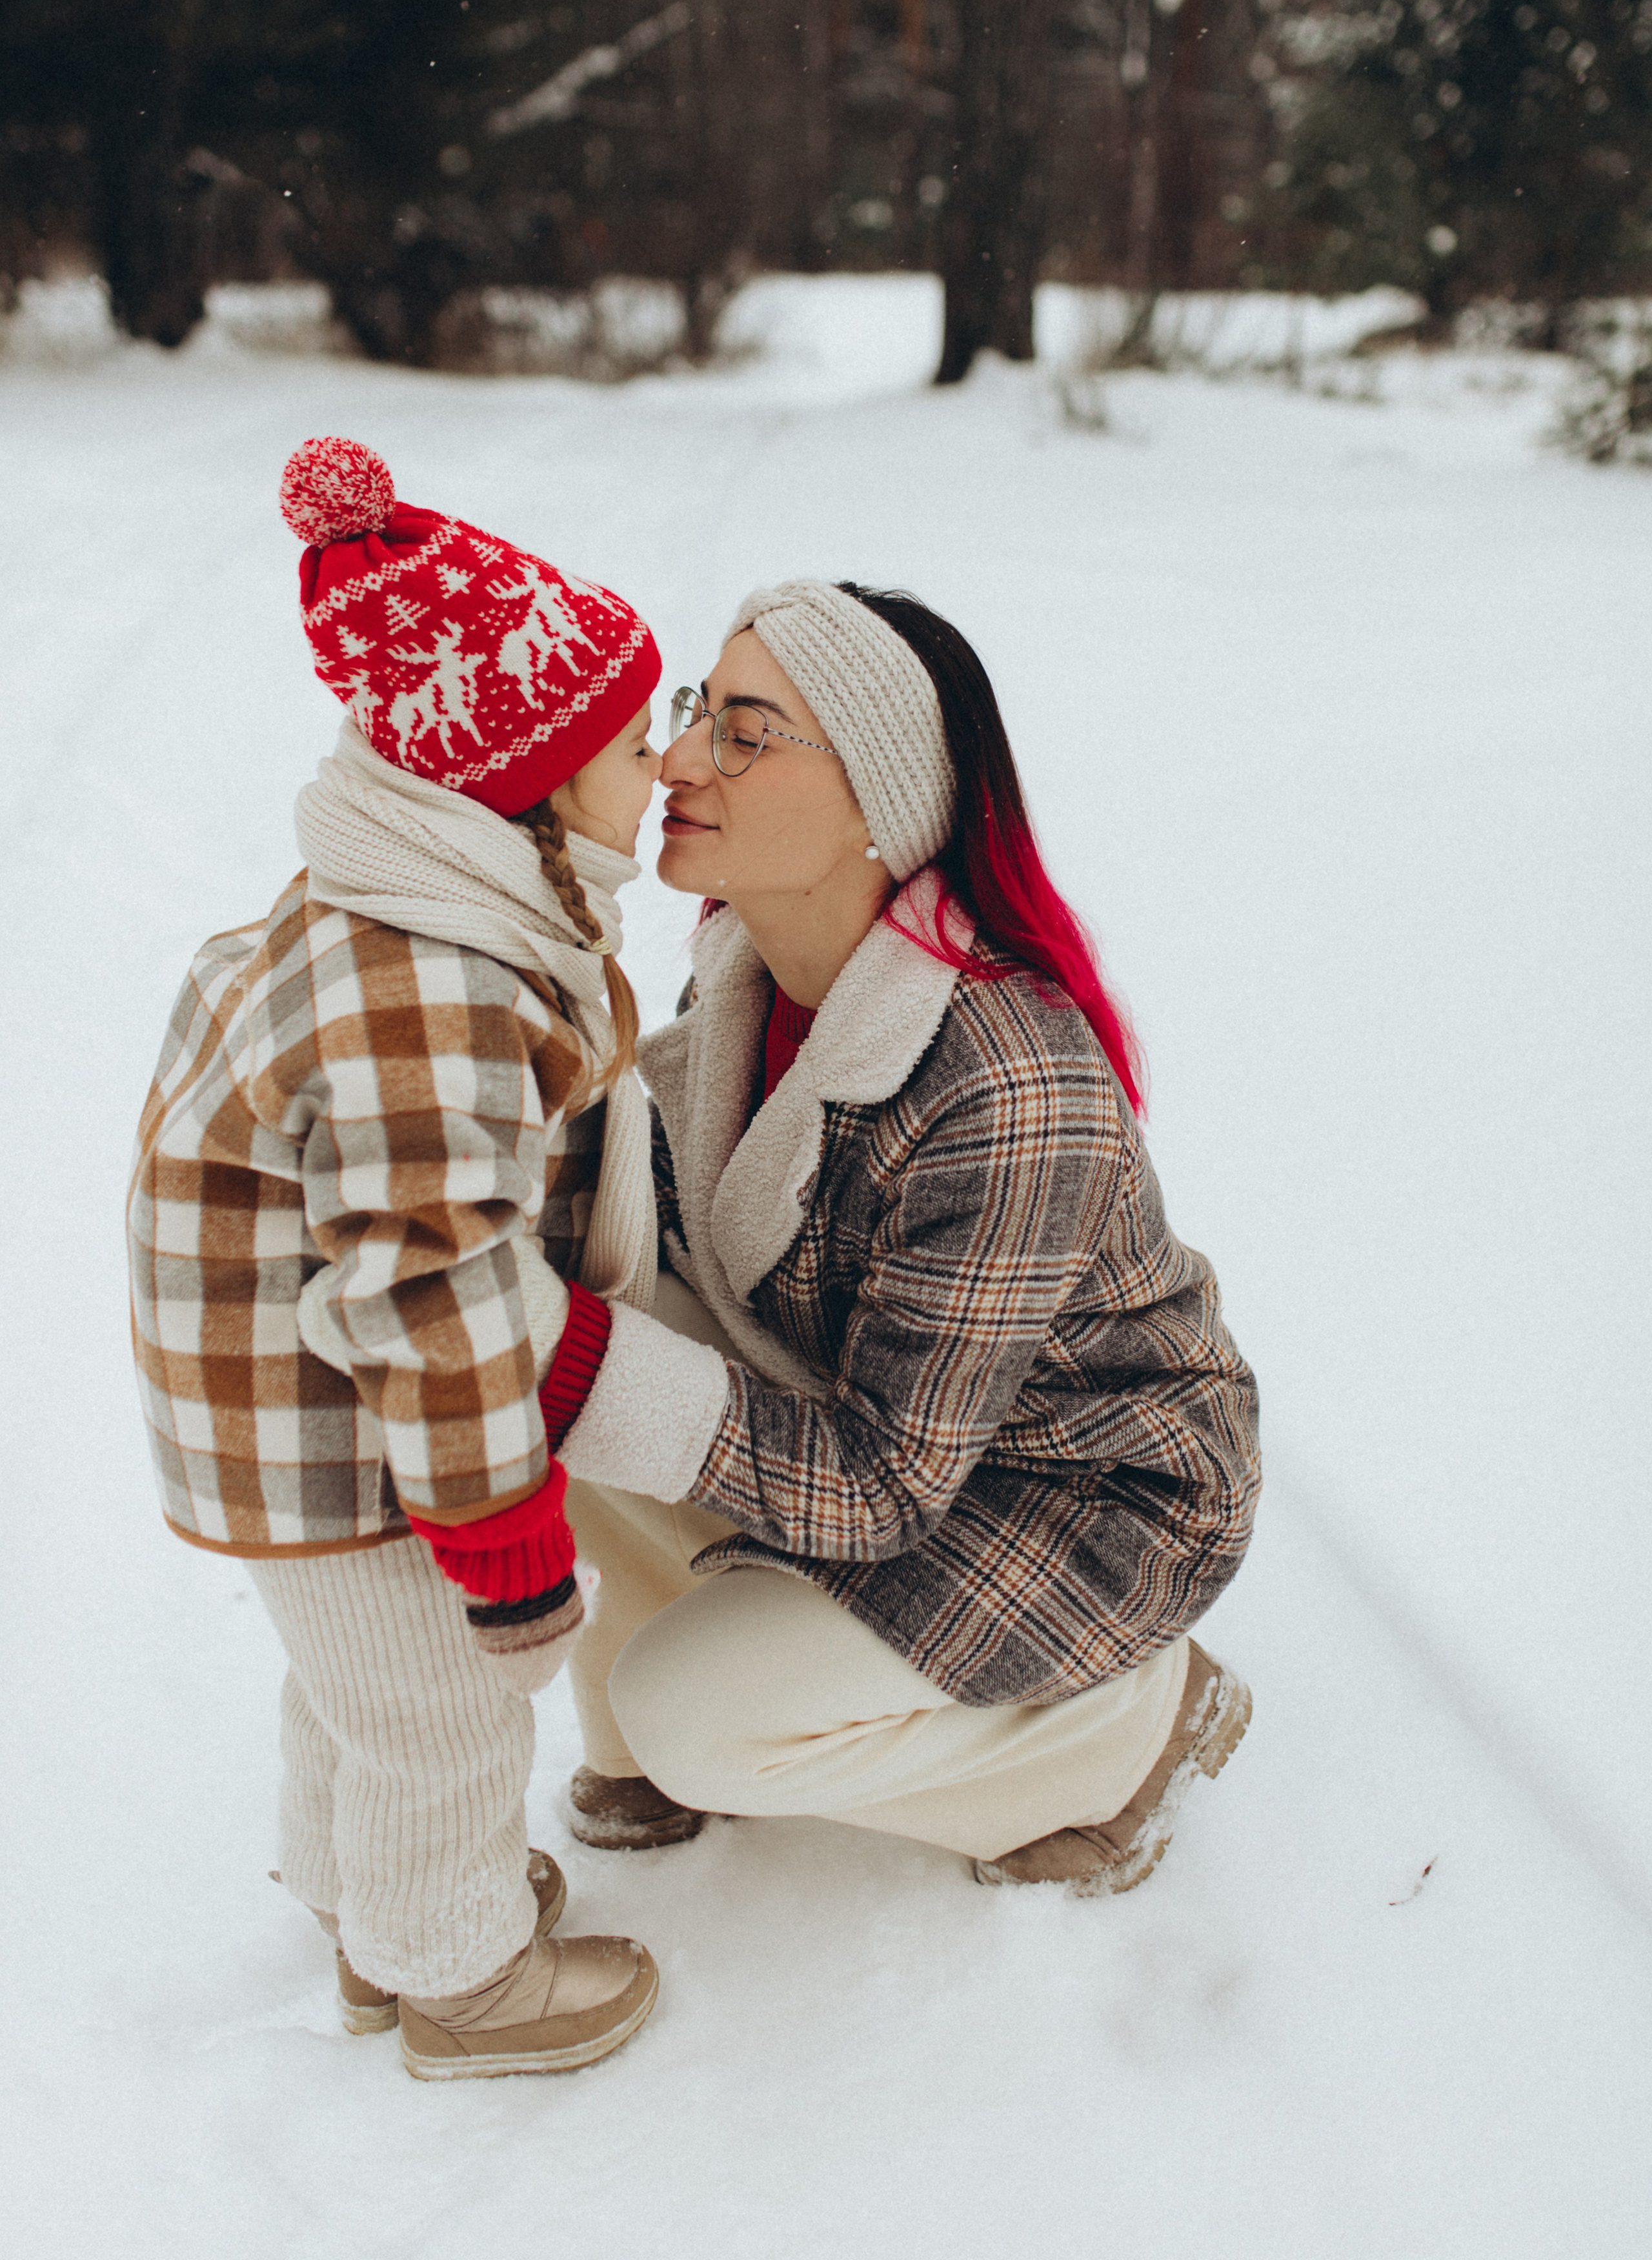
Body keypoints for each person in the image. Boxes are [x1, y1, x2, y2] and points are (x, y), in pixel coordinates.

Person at [545, 578, 1262, 1894]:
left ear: (878, 797)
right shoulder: (749, 966)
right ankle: (688, 1643)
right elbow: (644, 1221)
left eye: (747, 732)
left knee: (697, 1710)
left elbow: (881, 1486)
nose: (679, 756)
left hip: (1084, 1498)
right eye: (699, 707)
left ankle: (1117, 1733)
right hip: (902, 1421)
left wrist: (574, 1364)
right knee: (557, 1306)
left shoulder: (1002, 1082)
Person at [127, 437, 663, 2077]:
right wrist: (500, 1529)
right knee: (437, 1705)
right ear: (530, 777)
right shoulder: (423, 986)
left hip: (295, 1410)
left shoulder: (420, 903)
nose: (658, 771)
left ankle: (369, 1913)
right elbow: (424, 1290)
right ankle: (458, 1981)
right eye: (631, 744)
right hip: (345, 1432)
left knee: (355, 1686)